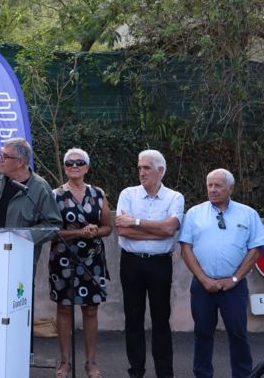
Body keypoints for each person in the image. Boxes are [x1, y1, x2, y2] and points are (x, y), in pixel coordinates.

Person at [179, 168, 264, 378]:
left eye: (218, 185)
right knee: (202, 333)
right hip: (202, 286)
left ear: (231, 188)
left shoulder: (248, 214)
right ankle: (202, 374)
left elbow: (256, 249)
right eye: (209, 185)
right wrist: (203, 278)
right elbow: (185, 248)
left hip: (234, 288)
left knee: (238, 334)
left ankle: (242, 375)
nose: (212, 189)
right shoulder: (194, 213)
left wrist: (235, 279)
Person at [114, 149, 184, 378]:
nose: (141, 172)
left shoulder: (175, 197)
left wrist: (135, 222)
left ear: (160, 171)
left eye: (146, 168)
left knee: (161, 320)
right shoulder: (128, 194)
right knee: (133, 319)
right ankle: (136, 371)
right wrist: (158, 231)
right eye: (139, 168)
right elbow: (122, 231)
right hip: (131, 263)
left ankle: (165, 373)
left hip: (160, 265)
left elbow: (170, 229)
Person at [49, 148, 113, 378]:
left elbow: (108, 227)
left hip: (92, 259)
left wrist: (95, 230)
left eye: (79, 162)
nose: (74, 166)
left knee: (91, 309)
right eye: (69, 163)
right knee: (64, 308)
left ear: (87, 167)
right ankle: (65, 363)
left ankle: (91, 363)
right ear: (65, 167)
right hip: (63, 258)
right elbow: (50, 232)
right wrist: (79, 234)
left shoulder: (98, 193)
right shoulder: (54, 195)